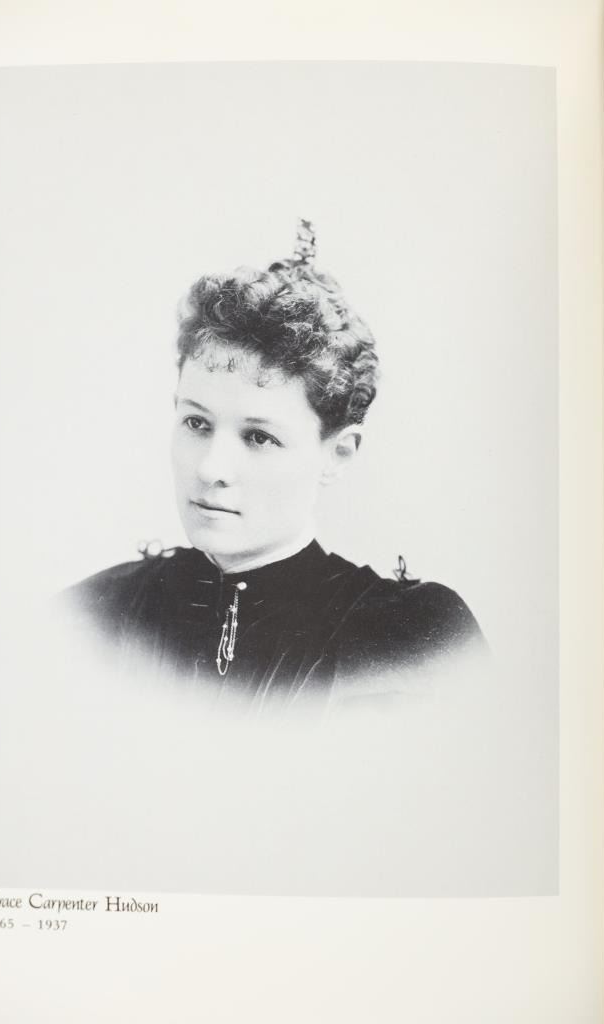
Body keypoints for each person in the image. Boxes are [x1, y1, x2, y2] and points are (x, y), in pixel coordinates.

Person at [63, 220, 484, 708]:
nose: (210, 469)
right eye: (197, 423)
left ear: (337, 453)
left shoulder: (411, 640)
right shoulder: (91, 618)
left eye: (259, 437)